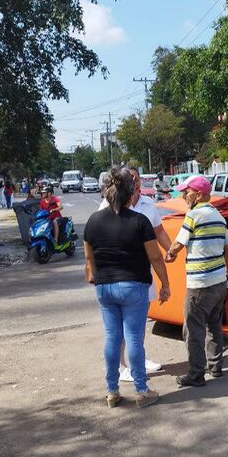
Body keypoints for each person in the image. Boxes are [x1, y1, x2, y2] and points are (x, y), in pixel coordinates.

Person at [83, 166, 170, 408]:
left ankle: (112, 390)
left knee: (112, 337)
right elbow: (155, 257)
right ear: (131, 192)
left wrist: (94, 279)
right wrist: (165, 283)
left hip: (105, 287)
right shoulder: (140, 221)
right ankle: (142, 391)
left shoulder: (93, 220)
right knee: (133, 338)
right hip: (134, 286)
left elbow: (89, 259)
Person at [165, 176, 228, 387]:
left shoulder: (193, 216)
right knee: (214, 324)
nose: (184, 195)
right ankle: (216, 366)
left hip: (200, 283)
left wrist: (170, 253)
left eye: (188, 191)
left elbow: (178, 243)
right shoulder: (219, 217)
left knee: (193, 329)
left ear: (201, 194)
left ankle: (196, 374)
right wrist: (227, 270)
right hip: (219, 281)